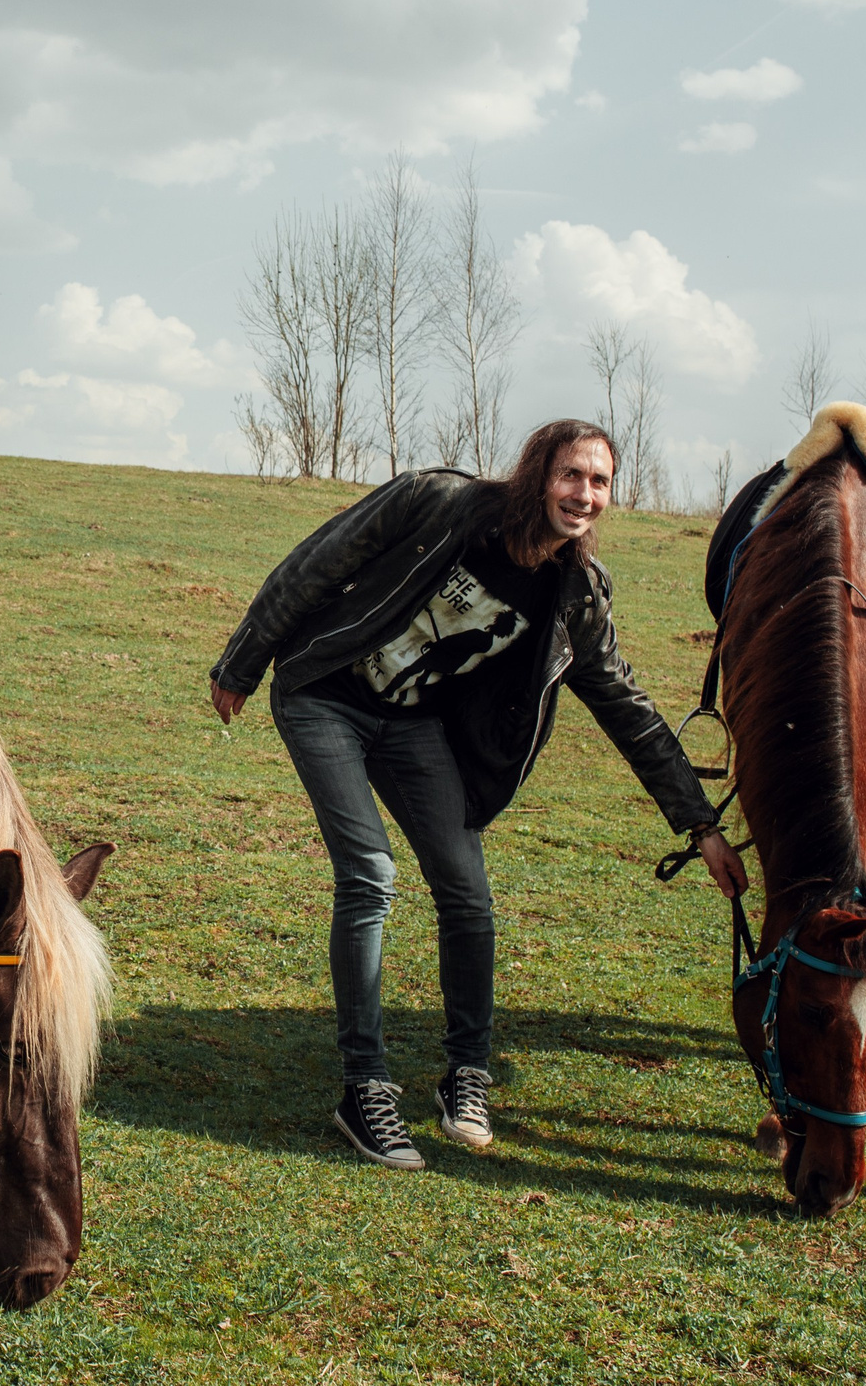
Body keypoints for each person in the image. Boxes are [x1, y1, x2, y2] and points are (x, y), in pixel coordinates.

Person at [206, 421, 746, 1170]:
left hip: (412, 721)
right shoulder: (438, 503)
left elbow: (630, 710)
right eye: (571, 475)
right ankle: (364, 1087)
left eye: (599, 482)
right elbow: (321, 562)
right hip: (324, 693)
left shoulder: (576, 597)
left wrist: (700, 824)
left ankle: (467, 1075)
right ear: (536, 473)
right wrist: (244, 657)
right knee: (370, 874)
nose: (584, 494)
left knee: (467, 890)